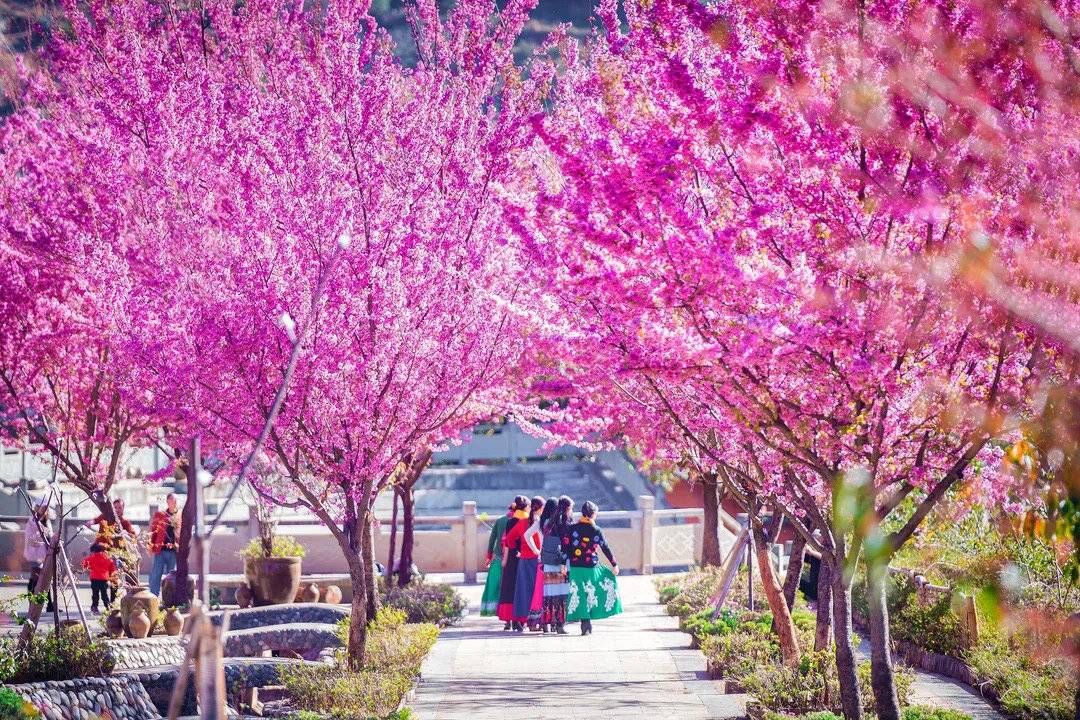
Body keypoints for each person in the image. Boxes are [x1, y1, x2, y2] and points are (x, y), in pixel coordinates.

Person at [563, 500, 622, 635]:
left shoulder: (572, 528)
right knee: (593, 592)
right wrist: (614, 564)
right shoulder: (596, 530)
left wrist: (562, 564)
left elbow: (565, 547)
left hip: (576, 566)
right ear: (593, 514)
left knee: (579, 593)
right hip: (591, 566)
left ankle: (585, 621)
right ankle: (588, 621)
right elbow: (605, 547)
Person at [496, 495, 530, 630]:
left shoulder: (511, 521)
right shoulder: (527, 521)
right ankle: (519, 619)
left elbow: (508, 542)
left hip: (512, 558)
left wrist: (507, 557)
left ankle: (512, 620)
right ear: (526, 507)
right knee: (521, 587)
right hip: (524, 556)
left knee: (511, 587)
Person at [511, 496, 545, 632]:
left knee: (523, 591)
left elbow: (509, 539)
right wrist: (536, 550)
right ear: (541, 508)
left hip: (524, 561)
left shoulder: (522, 522)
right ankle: (534, 621)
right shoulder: (541, 523)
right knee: (535, 593)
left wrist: (518, 551)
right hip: (536, 561)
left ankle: (520, 620)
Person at [540, 495, 573, 634]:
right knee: (561, 594)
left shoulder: (548, 522)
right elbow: (567, 544)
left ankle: (547, 623)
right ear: (567, 508)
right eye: (571, 508)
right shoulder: (566, 523)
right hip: (561, 564)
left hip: (548, 562)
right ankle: (559, 625)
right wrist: (565, 562)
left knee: (550, 594)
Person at [480, 503, 515, 621]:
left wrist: (489, 556)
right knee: (508, 588)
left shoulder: (500, 520)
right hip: (512, 561)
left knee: (495, 586)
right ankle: (509, 616)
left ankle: (499, 614)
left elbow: (492, 539)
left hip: (498, 558)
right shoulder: (519, 521)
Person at [23, 497, 54, 612]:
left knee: (45, 579)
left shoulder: (46, 521)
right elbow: (31, 540)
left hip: (45, 555)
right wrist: (42, 533)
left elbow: (49, 536)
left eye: (47, 508)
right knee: (36, 580)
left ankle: (49, 604)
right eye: (43, 507)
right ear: (37, 508)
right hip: (34, 555)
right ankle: (33, 605)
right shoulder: (32, 521)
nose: (45, 510)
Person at [149, 493, 182, 596]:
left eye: (175, 500)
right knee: (156, 574)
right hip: (161, 549)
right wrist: (150, 546)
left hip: (173, 550)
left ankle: (169, 598)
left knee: (171, 576)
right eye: (171, 500)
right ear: (167, 501)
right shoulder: (160, 514)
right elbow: (153, 530)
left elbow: (183, 533)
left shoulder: (180, 516)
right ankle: (154, 596)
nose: (173, 502)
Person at [82, 543, 117, 614]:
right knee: (104, 594)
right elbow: (112, 569)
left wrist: (89, 569)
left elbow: (84, 564)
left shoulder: (91, 558)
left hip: (94, 578)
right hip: (104, 579)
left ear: (94, 550)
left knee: (95, 594)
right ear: (103, 550)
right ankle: (108, 606)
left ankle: (94, 607)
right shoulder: (108, 558)